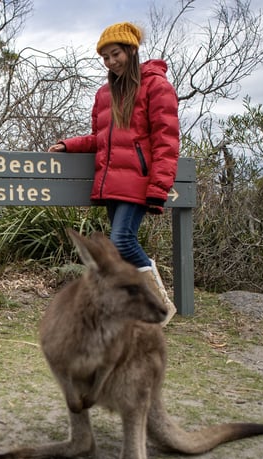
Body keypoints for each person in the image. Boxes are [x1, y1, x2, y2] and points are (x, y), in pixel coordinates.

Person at [48, 21, 179, 324]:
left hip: (138, 183)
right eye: (105, 57)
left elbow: (166, 142)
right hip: (111, 184)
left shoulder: (156, 86)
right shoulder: (103, 94)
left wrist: (158, 188)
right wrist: (69, 145)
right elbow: (100, 140)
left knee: (121, 241)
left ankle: (160, 305)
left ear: (132, 50)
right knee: (118, 250)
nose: (110, 62)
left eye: (115, 54)